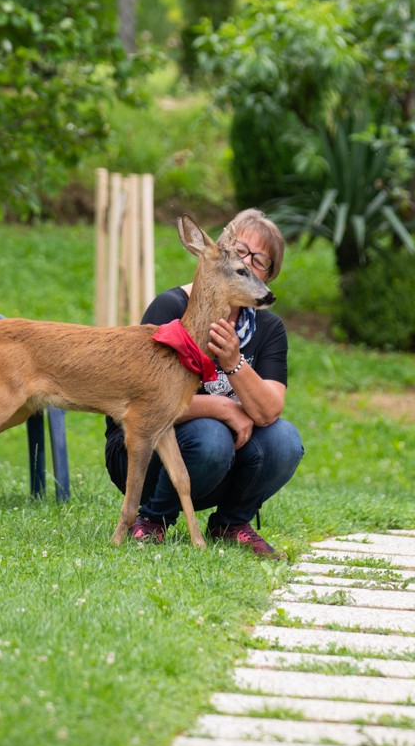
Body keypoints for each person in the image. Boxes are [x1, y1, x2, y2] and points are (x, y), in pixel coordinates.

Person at [103, 209, 304, 558]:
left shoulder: (269, 330)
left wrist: (233, 362)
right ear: (217, 252)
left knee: (285, 440)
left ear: (269, 275)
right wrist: (224, 408)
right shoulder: (172, 307)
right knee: (211, 434)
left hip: (217, 466)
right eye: (239, 250)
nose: (245, 261)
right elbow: (140, 403)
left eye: (260, 260)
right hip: (143, 454)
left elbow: (269, 410)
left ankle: (231, 524)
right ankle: (153, 520)